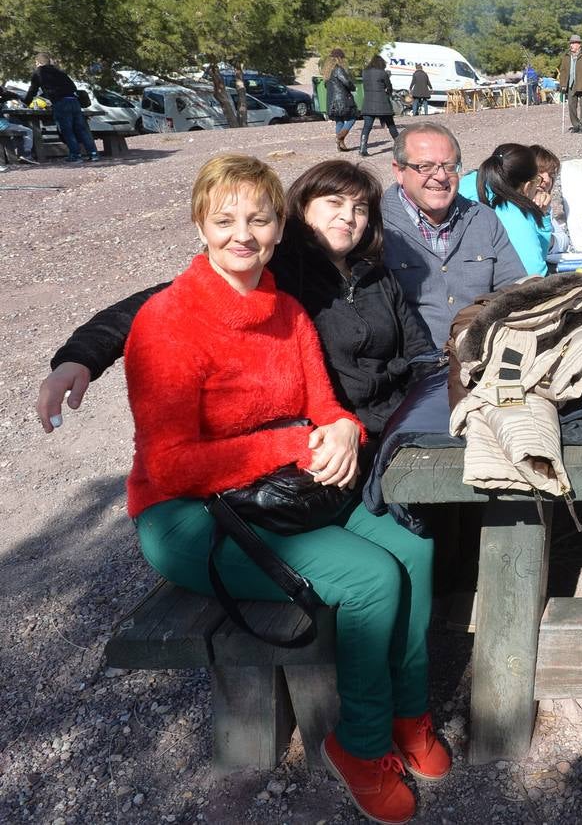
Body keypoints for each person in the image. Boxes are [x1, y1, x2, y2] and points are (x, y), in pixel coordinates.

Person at [117, 154, 449, 825]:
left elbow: (327, 407)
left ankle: (407, 713)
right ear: (200, 225)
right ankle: (357, 745)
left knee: (414, 550)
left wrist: (342, 431)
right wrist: (297, 443)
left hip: (281, 490)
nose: (243, 234)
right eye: (226, 220)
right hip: (187, 514)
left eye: (258, 220)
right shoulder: (169, 321)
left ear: (278, 228)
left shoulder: (286, 311)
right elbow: (173, 465)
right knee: (368, 579)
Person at [38, 158, 442, 451]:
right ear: (300, 211)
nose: (348, 217)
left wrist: (428, 406)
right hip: (339, 432)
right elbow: (159, 302)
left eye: (359, 208)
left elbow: (419, 351)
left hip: (398, 421)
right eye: (333, 204)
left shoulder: (376, 276)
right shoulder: (277, 268)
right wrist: (79, 358)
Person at [380, 122, 527, 346]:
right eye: (425, 167)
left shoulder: (482, 219)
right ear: (399, 171)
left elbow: (516, 290)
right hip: (413, 369)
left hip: (481, 359)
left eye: (449, 166)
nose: (440, 176)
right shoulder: (376, 225)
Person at [458, 143, 554, 276]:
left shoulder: (467, 185)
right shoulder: (515, 212)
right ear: (527, 187)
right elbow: (535, 272)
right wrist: (541, 216)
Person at [22, 53, 97, 163]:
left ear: (38, 62)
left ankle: (76, 155)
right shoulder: (60, 72)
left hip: (61, 103)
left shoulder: (38, 73)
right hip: (74, 101)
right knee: (81, 129)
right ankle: (93, 154)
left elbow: (32, 91)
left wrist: (26, 103)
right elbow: (73, 87)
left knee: (67, 130)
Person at [359, 54, 399, 157]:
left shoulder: (364, 72)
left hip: (368, 103)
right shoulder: (383, 73)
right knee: (391, 125)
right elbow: (389, 87)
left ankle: (362, 148)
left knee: (367, 127)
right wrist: (388, 93)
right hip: (382, 103)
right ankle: (400, 146)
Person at [322, 48, 358, 152]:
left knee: (339, 121)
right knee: (352, 118)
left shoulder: (327, 73)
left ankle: (341, 145)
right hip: (342, 101)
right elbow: (346, 82)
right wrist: (353, 87)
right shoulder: (338, 69)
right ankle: (340, 138)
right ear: (339, 59)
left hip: (331, 102)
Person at [559, 35, 582, 133]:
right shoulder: (566, 56)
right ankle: (576, 125)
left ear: (579, 44)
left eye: (574, 43)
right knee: (571, 105)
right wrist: (563, 84)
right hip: (570, 84)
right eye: (571, 43)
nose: (571, 45)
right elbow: (563, 71)